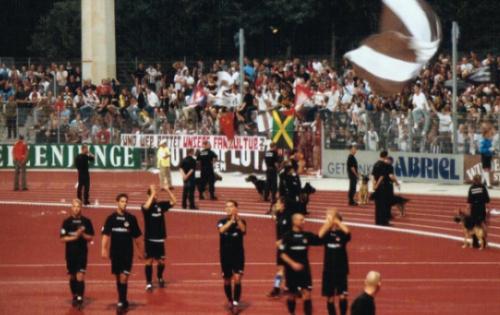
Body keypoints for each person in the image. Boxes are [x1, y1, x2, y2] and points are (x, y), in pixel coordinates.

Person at [101, 193, 144, 311]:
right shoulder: (111, 218)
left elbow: (137, 237)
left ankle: (120, 301)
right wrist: (103, 249)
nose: (124, 204)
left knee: (124, 277)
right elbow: (105, 235)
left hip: (127, 253)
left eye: (126, 202)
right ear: (117, 202)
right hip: (115, 253)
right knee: (118, 278)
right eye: (122, 201)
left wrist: (141, 251)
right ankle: (123, 300)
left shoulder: (131, 218)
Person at [279, 213, 322, 315]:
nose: (304, 221)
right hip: (291, 270)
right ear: (294, 221)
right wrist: (293, 264)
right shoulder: (287, 236)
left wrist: (328, 223)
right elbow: (282, 254)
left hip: (304, 269)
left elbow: (320, 239)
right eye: (301, 220)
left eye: (304, 220)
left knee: (307, 294)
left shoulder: (307, 235)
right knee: (292, 295)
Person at [60, 199, 95, 308]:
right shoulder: (66, 222)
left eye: (78, 206)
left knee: (80, 275)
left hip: (82, 253)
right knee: (72, 276)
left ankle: (80, 298)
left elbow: (91, 237)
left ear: (81, 207)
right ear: (71, 207)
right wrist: (75, 236)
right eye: (74, 206)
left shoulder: (86, 221)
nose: (76, 208)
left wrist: (82, 234)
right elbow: (62, 238)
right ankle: (74, 295)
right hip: (70, 253)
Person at [142, 185, 176, 291]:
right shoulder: (145, 206)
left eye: (156, 195)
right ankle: (148, 282)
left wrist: (167, 190)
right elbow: (146, 207)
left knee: (161, 261)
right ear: (148, 195)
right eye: (153, 194)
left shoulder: (160, 206)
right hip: (149, 239)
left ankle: (160, 277)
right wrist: (152, 193)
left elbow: (174, 201)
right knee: (149, 261)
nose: (155, 196)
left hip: (160, 239)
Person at [319, 208, 351, 315]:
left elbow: (348, 232)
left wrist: (337, 221)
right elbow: (320, 234)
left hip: (341, 269)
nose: (327, 218)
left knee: (343, 295)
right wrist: (328, 223)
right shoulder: (327, 234)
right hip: (328, 270)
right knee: (330, 298)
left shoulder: (342, 233)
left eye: (329, 216)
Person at [217, 200, 247, 309]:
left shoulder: (242, 221)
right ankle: (230, 299)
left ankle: (235, 302)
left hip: (238, 254)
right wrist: (231, 221)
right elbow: (221, 230)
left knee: (238, 278)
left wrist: (237, 219)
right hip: (225, 254)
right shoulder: (221, 221)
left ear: (236, 208)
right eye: (226, 207)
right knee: (227, 280)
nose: (228, 208)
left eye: (231, 206)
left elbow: (243, 230)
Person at [267, 197, 291, 298]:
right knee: (281, 268)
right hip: (280, 246)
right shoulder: (279, 215)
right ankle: (283, 287)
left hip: (287, 246)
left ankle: (277, 289)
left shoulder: (289, 217)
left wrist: (282, 240)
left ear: (283, 205)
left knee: (286, 268)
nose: (276, 205)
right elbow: (274, 218)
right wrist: (273, 210)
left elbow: (291, 232)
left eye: (278, 203)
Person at [467, 174, 490, 248]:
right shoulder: (483, 187)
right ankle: (485, 241)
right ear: (480, 180)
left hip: (474, 209)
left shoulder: (471, 188)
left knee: (474, 225)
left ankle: (475, 242)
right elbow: (487, 200)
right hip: (481, 208)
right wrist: (488, 210)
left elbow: (469, 201)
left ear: (474, 180)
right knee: (483, 224)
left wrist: (468, 210)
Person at [371, 151, 390, 226]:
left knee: (377, 204)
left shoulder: (376, 164)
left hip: (376, 186)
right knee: (383, 204)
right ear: (385, 156)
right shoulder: (384, 165)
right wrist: (377, 184)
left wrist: (374, 185)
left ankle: (378, 220)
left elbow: (372, 175)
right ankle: (383, 221)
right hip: (382, 186)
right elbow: (382, 176)